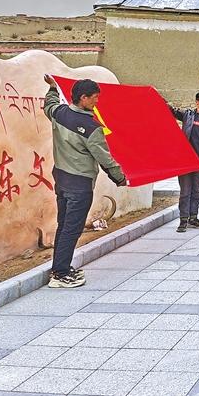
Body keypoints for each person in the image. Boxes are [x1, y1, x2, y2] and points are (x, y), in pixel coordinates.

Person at [43, 75, 127, 288]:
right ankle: (60, 275)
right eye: (95, 97)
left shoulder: (60, 113)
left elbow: (49, 105)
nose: (97, 101)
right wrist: (120, 177)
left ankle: (59, 267)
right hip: (80, 184)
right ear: (83, 98)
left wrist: (52, 88)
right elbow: (104, 157)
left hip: (61, 179)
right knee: (72, 229)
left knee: (64, 226)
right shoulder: (91, 127)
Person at [170, 90, 199, 232]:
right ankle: (183, 220)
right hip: (185, 161)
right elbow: (171, 111)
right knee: (185, 192)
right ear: (197, 102)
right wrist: (158, 98)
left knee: (196, 191)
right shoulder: (188, 115)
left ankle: (193, 218)